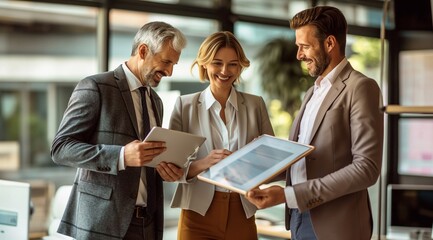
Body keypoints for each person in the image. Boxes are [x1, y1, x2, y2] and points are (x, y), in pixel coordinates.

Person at [246, 6, 384, 240]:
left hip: (338, 226)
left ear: (329, 43)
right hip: (300, 218)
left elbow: (366, 169)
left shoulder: (361, 87)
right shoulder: (313, 92)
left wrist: (288, 196)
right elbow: (306, 159)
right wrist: (253, 165)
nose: (299, 55)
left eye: (305, 46)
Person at [51, 21, 187, 240]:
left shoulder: (156, 101)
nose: (170, 71)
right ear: (143, 50)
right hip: (103, 224)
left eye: (174, 64)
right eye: (166, 61)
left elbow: (146, 160)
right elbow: (61, 148)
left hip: (147, 225)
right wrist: (121, 155)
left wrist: (166, 168)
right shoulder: (95, 87)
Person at [169, 31, 274, 239]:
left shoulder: (255, 105)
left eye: (233, 64)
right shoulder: (185, 106)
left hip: (242, 209)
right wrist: (203, 163)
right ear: (204, 64)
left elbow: (270, 159)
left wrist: (254, 161)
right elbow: (171, 169)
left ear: (240, 66)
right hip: (197, 214)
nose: (225, 71)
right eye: (217, 63)